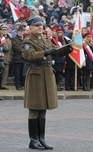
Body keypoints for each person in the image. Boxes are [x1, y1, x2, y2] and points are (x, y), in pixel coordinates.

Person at [21, 14, 73, 150]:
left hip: (47, 76)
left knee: (43, 109)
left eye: (41, 25)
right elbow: (29, 55)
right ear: (31, 28)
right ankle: (33, 140)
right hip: (36, 77)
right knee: (34, 108)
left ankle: (41, 138)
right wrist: (44, 53)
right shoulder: (28, 42)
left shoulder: (45, 40)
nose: (40, 27)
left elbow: (55, 52)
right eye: (37, 25)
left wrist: (68, 47)